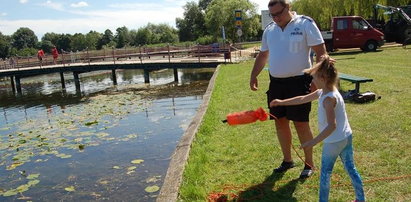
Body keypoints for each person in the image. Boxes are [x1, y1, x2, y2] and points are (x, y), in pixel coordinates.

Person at [270, 56, 365, 202]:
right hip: (346, 137)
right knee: (350, 169)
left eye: (314, 78)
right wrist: (282, 102)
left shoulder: (328, 99)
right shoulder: (326, 92)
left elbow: (332, 125)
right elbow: (302, 99)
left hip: (333, 142)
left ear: (323, 78)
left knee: (325, 174)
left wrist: (312, 142)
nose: (312, 81)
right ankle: (360, 199)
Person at [250, 0, 328, 178]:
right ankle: (287, 160)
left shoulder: (305, 23)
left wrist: (317, 78)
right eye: (273, 15)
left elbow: (321, 52)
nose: (276, 18)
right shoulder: (270, 29)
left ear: (288, 7)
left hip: (300, 83)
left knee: (301, 123)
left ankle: (309, 164)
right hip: (276, 83)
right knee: (280, 122)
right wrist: (253, 75)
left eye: (279, 13)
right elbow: (263, 55)